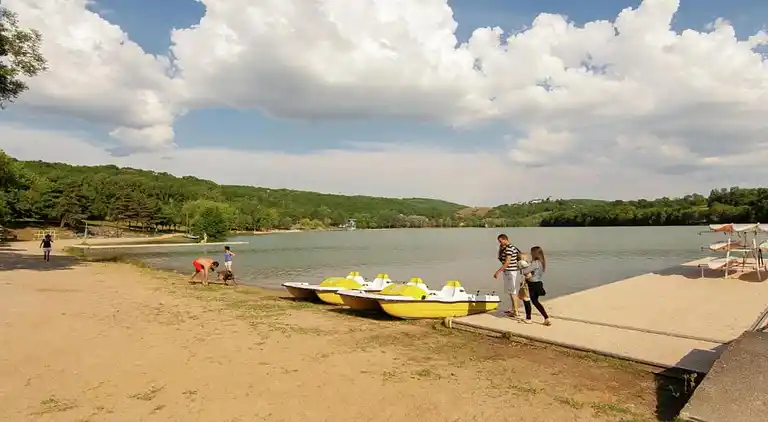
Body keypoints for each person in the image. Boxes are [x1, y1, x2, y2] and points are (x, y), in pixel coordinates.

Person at [521, 246, 552, 326]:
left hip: (532, 284)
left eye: (531, 252)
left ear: (534, 253)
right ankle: (546, 318)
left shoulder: (535, 263)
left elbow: (524, 271)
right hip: (538, 283)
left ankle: (528, 318)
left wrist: (523, 262)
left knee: (526, 299)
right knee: (535, 302)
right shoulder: (541, 262)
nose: (530, 253)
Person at [494, 233, 523, 318]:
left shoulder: (509, 249)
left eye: (500, 241)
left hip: (510, 271)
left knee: (512, 292)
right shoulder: (508, 248)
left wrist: (498, 272)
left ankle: (516, 311)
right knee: (511, 291)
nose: (500, 243)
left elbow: (507, 262)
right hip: (509, 271)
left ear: (504, 239)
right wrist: (500, 249)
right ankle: (513, 309)